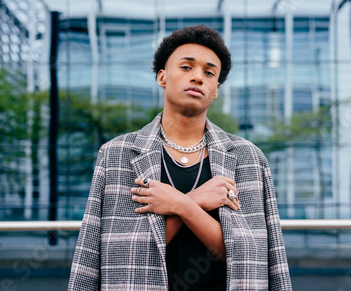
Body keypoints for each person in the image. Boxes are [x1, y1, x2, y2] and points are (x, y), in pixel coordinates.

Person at [68, 25, 292, 291]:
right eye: (186, 67)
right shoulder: (117, 154)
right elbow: (110, 252)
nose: (198, 77)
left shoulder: (248, 158)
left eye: (209, 73)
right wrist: (194, 201)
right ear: (162, 76)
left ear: (216, 89)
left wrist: (181, 205)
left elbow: (247, 255)